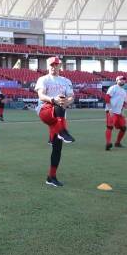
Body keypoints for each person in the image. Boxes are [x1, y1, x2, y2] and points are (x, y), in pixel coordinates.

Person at [35, 56, 75, 187]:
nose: (54, 67)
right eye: (51, 65)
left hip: (59, 115)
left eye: (56, 65)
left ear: (60, 66)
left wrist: (66, 101)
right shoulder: (43, 79)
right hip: (45, 110)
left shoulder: (65, 81)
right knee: (59, 101)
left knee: (57, 149)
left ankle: (51, 177)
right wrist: (54, 100)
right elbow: (41, 95)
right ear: (48, 66)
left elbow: (72, 97)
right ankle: (62, 131)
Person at [105, 75, 127, 150]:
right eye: (121, 79)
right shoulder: (113, 88)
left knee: (123, 128)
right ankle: (108, 144)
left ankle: (117, 143)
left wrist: (123, 111)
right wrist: (110, 109)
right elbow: (107, 97)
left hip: (119, 113)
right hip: (111, 111)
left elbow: (124, 103)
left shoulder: (124, 92)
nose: (123, 81)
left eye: (124, 79)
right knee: (110, 127)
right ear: (117, 80)